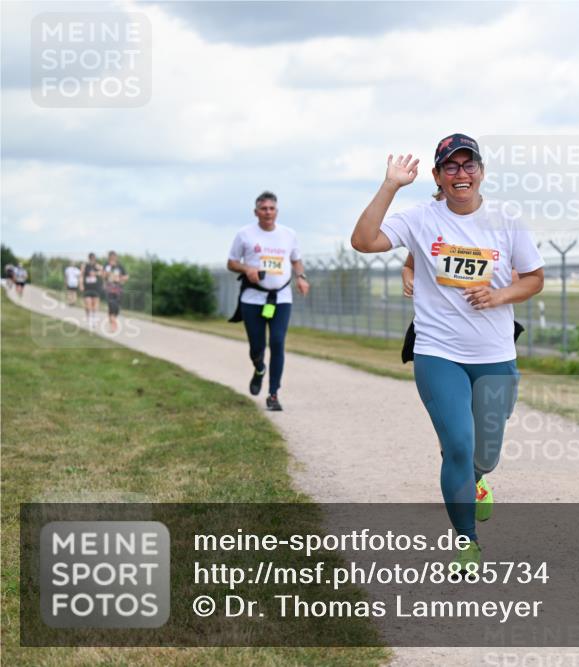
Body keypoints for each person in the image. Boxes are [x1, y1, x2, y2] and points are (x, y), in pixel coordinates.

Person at [352, 134, 544, 574]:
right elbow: (364, 242)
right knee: (458, 443)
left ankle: (476, 482)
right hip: (438, 352)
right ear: (437, 177)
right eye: (451, 167)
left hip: (495, 353)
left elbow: (533, 279)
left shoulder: (506, 219)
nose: (462, 174)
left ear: (481, 171)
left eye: (469, 165)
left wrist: (500, 296)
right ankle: (466, 544)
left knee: (485, 456)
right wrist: (390, 186)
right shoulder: (421, 217)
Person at [227, 191, 309, 411]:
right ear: (256, 212)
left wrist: (301, 277)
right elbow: (232, 263)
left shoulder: (288, 234)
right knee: (257, 346)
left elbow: (296, 260)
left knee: (277, 342)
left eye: (271, 208)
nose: (268, 212)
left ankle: (273, 394)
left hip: (281, 298)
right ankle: (259, 368)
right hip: (253, 299)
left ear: (277, 211)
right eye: (263, 209)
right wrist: (247, 268)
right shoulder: (245, 234)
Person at [102, 252, 129, 332]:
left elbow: (127, 276)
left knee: (117, 307)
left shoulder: (120, 266)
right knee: (111, 305)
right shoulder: (106, 265)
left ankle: (112, 319)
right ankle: (113, 324)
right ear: (109, 257)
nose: (113, 258)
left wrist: (120, 278)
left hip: (118, 288)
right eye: (111, 257)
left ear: (116, 257)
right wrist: (107, 274)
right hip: (109, 288)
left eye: (114, 257)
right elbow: (102, 275)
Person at [81, 253, 103, 329]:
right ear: (89, 258)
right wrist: (81, 284)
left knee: (95, 303)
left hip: (96, 287)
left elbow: (102, 273)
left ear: (95, 258)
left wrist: (96, 273)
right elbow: (81, 275)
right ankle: (89, 318)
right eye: (91, 258)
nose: (92, 259)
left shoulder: (97, 266)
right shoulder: (85, 266)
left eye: (93, 258)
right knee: (88, 303)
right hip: (87, 287)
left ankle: (93, 319)